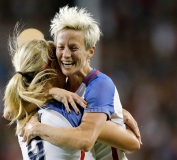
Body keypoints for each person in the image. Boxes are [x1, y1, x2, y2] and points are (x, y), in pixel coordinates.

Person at [21, 6, 141, 160]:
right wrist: (51, 92)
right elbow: (9, 111)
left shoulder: (100, 85)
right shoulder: (62, 87)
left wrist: (38, 128)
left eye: (73, 48)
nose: (65, 55)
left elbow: (85, 140)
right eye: (61, 47)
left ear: (90, 51)